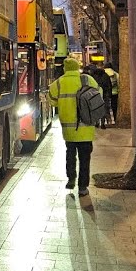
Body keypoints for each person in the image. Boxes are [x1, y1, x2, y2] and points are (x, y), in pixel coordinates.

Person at [47, 57, 99, 196]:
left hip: (69, 130)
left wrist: (63, 104)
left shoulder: (58, 83)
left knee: (70, 154)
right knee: (85, 158)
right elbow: (97, 95)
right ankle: (83, 187)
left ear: (65, 68)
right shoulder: (87, 80)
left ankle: (71, 178)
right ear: (77, 67)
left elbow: (51, 101)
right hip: (87, 128)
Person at [86, 63, 114, 128]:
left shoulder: (93, 76)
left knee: (96, 109)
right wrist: (109, 94)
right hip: (105, 95)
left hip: (95, 95)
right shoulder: (105, 75)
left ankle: (96, 122)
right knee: (103, 109)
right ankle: (103, 123)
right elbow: (109, 86)